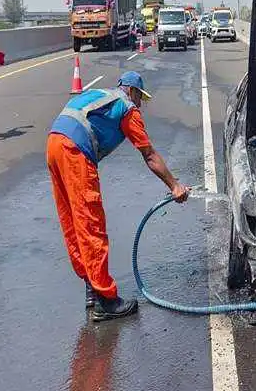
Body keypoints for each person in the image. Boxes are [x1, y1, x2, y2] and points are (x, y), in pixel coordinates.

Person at [46, 71, 190, 321]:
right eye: (140, 99)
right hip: (74, 152)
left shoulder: (100, 95)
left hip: (54, 144)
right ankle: (106, 301)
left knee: (72, 222)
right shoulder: (127, 108)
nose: (140, 105)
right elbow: (149, 155)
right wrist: (174, 185)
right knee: (90, 224)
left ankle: (91, 288)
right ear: (133, 92)